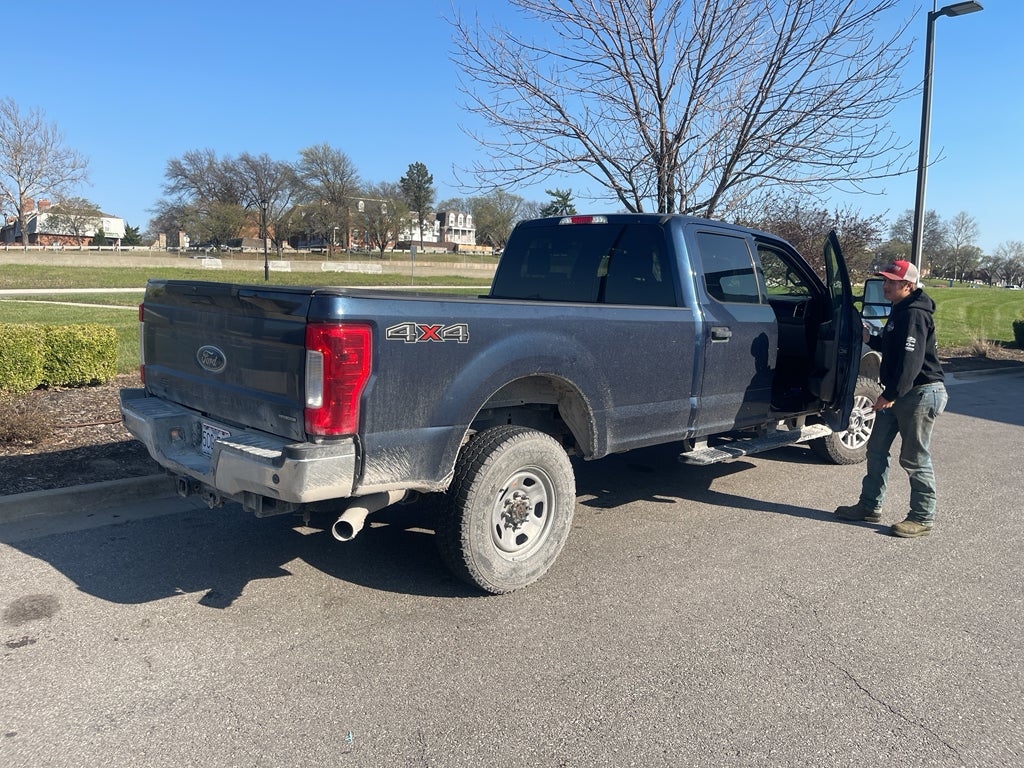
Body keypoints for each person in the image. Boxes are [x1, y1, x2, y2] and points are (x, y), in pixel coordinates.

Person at [835, 260, 948, 537]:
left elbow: (911, 363)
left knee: (914, 458)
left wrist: (889, 395)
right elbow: (892, 346)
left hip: (920, 393)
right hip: (900, 393)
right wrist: (869, 338)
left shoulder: (915, 315)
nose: (884, 285)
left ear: (907, 285)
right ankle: (869, 506)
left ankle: (922, 517)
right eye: (884, 280)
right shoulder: (900, 309)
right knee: (876, 449)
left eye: (891, 281)